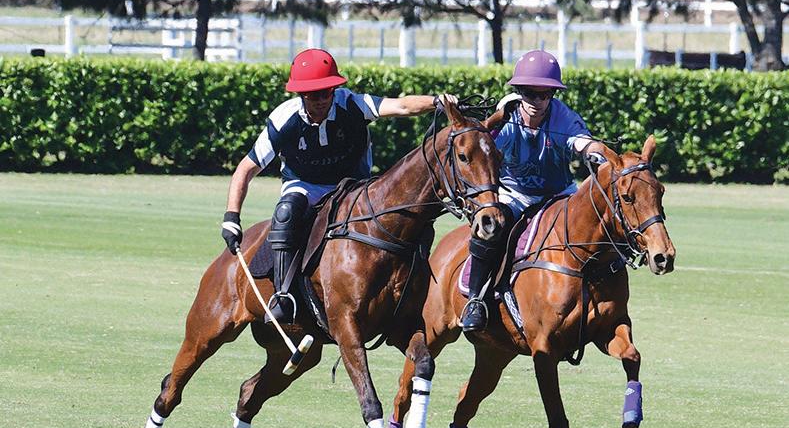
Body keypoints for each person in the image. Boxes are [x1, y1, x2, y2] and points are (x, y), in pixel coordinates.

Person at [221, 48, 455, 323]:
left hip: (353, 187)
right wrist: (231, 217)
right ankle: (283, 295)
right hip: (304, 185)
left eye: (326, 92)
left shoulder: (351, 104)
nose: (321, 100)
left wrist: (436, 101)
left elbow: (401, 106)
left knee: (413, 215)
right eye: (313, 94)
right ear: (301, 94)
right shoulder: (284, 119)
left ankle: (412, 286)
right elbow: (246, 168)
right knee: (286, 212)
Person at [460, 49, 608, 332]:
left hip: (559, 196)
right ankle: (476, 300)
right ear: (519, 92)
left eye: (545, 94)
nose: (537, 102)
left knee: (597, 226)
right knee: (489, 228)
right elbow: (479, 149)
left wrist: (594, 152)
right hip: (514, 195)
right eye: (530, 93)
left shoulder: (563, 116)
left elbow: (582, 141)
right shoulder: (505, 118)